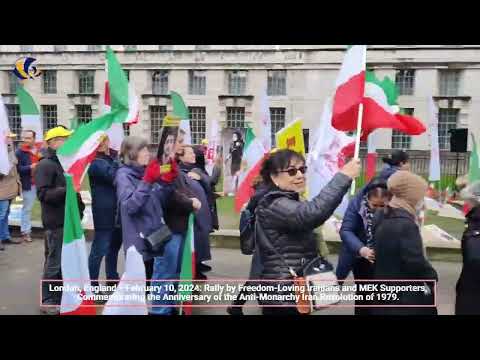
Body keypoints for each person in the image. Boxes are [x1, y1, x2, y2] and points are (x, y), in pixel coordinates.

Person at [254, 149, 360, 315]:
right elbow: (312, 214)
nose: (299, 175)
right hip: (283, 293)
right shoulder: (274, 204)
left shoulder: (288, 200)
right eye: (291, 171)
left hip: (293, 289)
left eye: (302, 169)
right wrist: (343, 176)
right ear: (274, 177)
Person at [371, 171, 438, 315]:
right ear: (411, 196)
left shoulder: (381, 215)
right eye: (421, 196)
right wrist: (431, 276)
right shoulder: (406, 224)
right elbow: (415, 262)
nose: (423, 200)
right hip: (405, 300)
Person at [35, 126, 85, 315]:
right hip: (55, 222)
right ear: (53, 142)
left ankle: (60, 297)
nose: (69, 142)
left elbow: (73, 191)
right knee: (54, 263)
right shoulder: (46, 165)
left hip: (68, 222)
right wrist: (68, 190)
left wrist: (79, 210)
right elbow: (43, 194)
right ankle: (47, 301)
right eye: (65, 139)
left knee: (64, 262)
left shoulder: (64, 163)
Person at [114, 136, 176, 285]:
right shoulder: (123, 175)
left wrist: (167, 182)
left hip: (154, 236)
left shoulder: (144, 172)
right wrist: (147, 182)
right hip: (139, 240)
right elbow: (130, 206)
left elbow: (160, 200)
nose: (148, 153)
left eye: (147, 149)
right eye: (143, 150)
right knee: (142, 286)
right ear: (132, 154)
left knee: (156, 281)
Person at [337, 178, 391, 315]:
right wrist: (362, 249)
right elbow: (346, 230)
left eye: (382, 206)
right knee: (364, 295)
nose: (378, 210)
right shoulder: (356, 204)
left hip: (384, 258)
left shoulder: (395, 206)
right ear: (367, 199)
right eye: (375, 206)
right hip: (360, 255)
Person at [87, 135, 122, 292]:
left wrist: (116, 157)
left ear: (108, 141)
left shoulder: (110, 158)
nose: (101, 144)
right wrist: (118, 159)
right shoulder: (95, 162)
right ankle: (92, 285)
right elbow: (114, 176)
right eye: (98, 142)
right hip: (104, 212)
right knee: (99, 249)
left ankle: (112, 279)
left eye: (104, 140)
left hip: (117, 211)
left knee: (113, 248)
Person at [177, 145, 213, 280]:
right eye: (190, 153)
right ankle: (194, 271)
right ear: (181, 156)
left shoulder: (196, 170)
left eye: (193, 153)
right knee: (194, 245)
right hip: (193, 215)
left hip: (202, 213)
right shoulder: (182, 172)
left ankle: (198, 267)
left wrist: (201, 177)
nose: (194, 155)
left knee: (200, 243)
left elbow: (210, 182)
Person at [455, 181, 480, 315]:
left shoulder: (476, 221)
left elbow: (474, 258)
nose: (466, 205)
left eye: (469, 201)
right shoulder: (473, 219)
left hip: (472, 290)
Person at [15, 130, 41, 243]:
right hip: (29, 184)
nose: (25, 140)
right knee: (27, 208)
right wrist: (30, 167)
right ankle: (25, 232)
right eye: (24, 138)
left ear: (34, 139)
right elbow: (18, 169)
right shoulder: (19, 152)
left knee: (47, 207)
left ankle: (49, 230)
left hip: (42, 183)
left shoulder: (40, 150)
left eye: (28, 138)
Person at [0, 132, 22, 251]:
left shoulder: (9, 152)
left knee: (6, 214)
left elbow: (15, 164)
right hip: (2, 190)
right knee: (1, 215)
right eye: (9, 139)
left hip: (10, 189)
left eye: (12, 139)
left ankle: (5, 236)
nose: (11, 141)